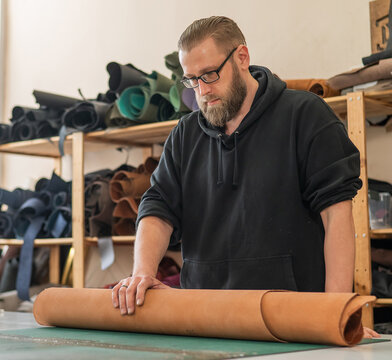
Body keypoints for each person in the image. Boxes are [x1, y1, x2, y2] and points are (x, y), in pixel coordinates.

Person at [111, 16, 377, 337]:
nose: (202, 91)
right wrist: (142, 273)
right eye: (192, 80)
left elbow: (337, 216)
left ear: (242, 58)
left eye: (210, 74)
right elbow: (157, 208)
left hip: (288, 319)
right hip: (201, 316)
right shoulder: (185, 135)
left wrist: (337, 312)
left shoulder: (306, 115)